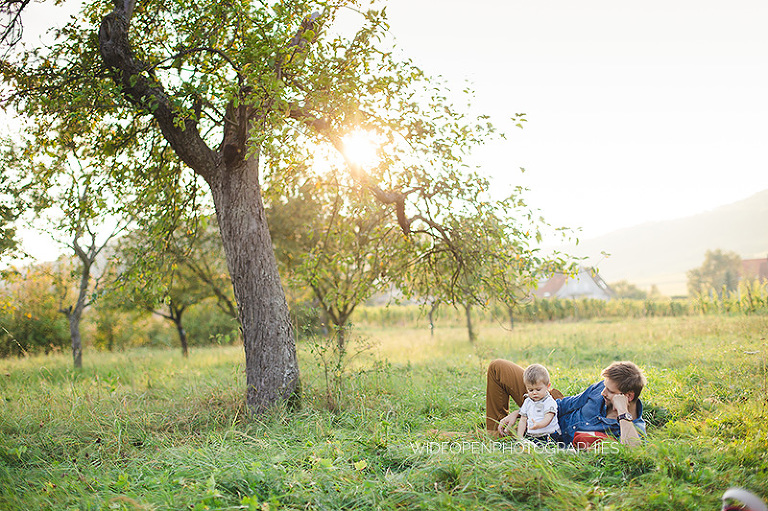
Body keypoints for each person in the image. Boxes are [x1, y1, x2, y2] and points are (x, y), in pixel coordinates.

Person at [487, 359, 646, 447]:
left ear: (628, 396)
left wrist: (623, 413)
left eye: (610, 392)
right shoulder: (600, 389)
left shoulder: (633, 427)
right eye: (605, 387)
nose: (603, 392)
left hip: (550, 437)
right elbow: (564, 404)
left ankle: (500, 440)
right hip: (549, 403)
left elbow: (633, 451)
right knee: (498, 367)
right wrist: (521, 412)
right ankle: (495, 434)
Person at [507, 363, 561, 444]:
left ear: (548, 386)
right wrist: (520, 437)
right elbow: (523, 419)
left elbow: (548, 417)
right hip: (532, 434)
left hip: (548, 435)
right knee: (527, 445)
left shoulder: (549, 401)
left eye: (538, 389)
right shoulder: (528, 401)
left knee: (543, 447)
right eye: (530, 390)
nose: (534, 393)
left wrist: (539, 425)